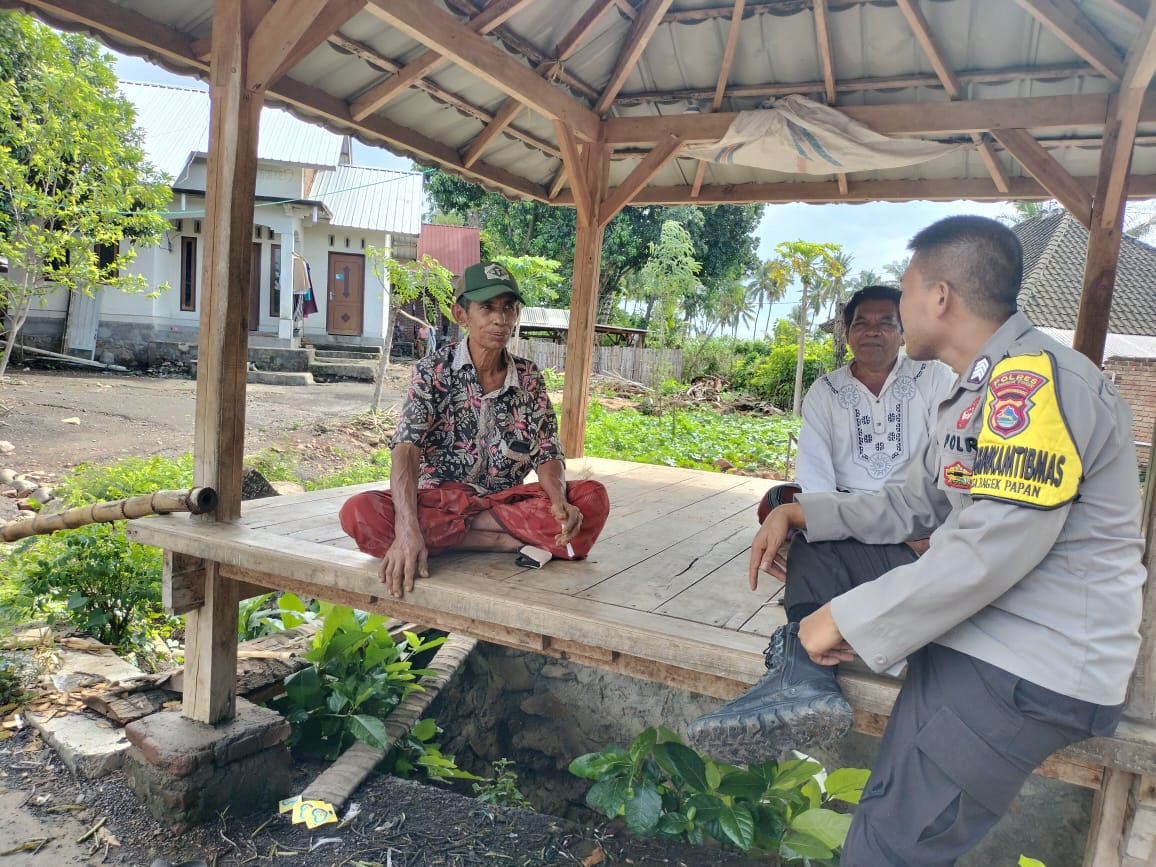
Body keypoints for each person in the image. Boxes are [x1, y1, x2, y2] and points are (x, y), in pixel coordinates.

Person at [687, 216, 1145, 864]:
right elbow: (908, 502)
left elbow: (988, 549)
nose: (894, 312)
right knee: (883, 816)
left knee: (885, 847)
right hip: (978, 630)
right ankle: (801, 677)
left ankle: (805, 657)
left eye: (902, 294)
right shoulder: (974, 391)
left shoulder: (1033, 386)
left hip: (1027, 660)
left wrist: (843, 618)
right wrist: (798, 513)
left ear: (939, 297)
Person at [340, 262, 610, 599]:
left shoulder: (528, 377)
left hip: (503, 501)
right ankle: (505, 541)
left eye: (508, 307)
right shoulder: (432, 371)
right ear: (461, 315)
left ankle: (454, 539)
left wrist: (558, 503)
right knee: (359, 512)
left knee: (590, 498)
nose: (500, 319)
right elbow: (406, 448)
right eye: (487, 308)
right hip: (441, 501)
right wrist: (407, 527)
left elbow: (547, 452)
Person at [758, 285, 954, 525]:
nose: (872, 332)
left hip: (914, 508)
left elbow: (945, 455)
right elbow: (814, 467)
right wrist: (828, 519)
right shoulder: (825, 390)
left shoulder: (934, 377)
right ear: (848, 334)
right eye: (861, 323)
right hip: (846, 508)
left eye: (886, 323)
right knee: (775, 501)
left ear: (903, 333)